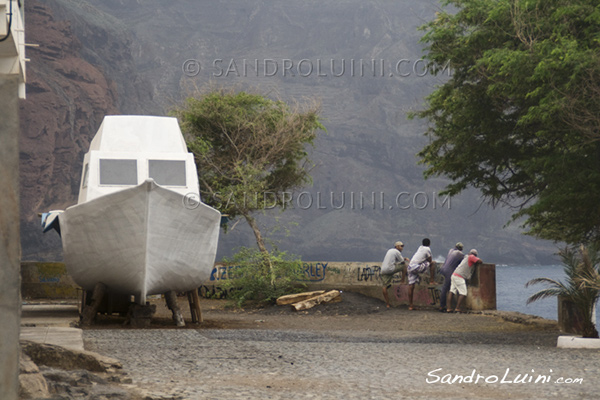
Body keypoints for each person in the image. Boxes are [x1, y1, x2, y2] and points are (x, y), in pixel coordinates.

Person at [447, 249, 483, 313]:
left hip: (454, 275)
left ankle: (449, 308)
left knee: (452, 291)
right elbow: (480, 261)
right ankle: (457, 308)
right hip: (459, 277)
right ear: (474, 255)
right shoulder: (471, 257)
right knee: (463, 293)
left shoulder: (466, 257)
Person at [407, 238, 436, 310]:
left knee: (411, 286)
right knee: (433, 263)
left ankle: (410, 305)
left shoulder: (420, 248)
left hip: (410, 267)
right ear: (429, 244)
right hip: (417, 267)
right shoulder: (427, 249)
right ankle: (432, 281)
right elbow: (430, 260)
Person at [380, 241, 410, 308]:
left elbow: (395, 260)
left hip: (383, 270)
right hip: (390, 269)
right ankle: (402, 281)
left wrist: (403, 258)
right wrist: (406, 260)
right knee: (404, 266)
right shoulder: (397, 252)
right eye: (401, 246)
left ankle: (387, 304)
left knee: (384, 287)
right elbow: (402, 262)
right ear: (397, 246)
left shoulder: (390, 251)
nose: (402, 248)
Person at [438, 242, 464, 312]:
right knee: (445, 288)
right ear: (461, 248)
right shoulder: (460, 254)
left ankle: (444, 305)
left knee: (446, 287)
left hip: (443, 268)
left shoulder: (451, 250)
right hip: (449, 271)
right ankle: (442, 306)